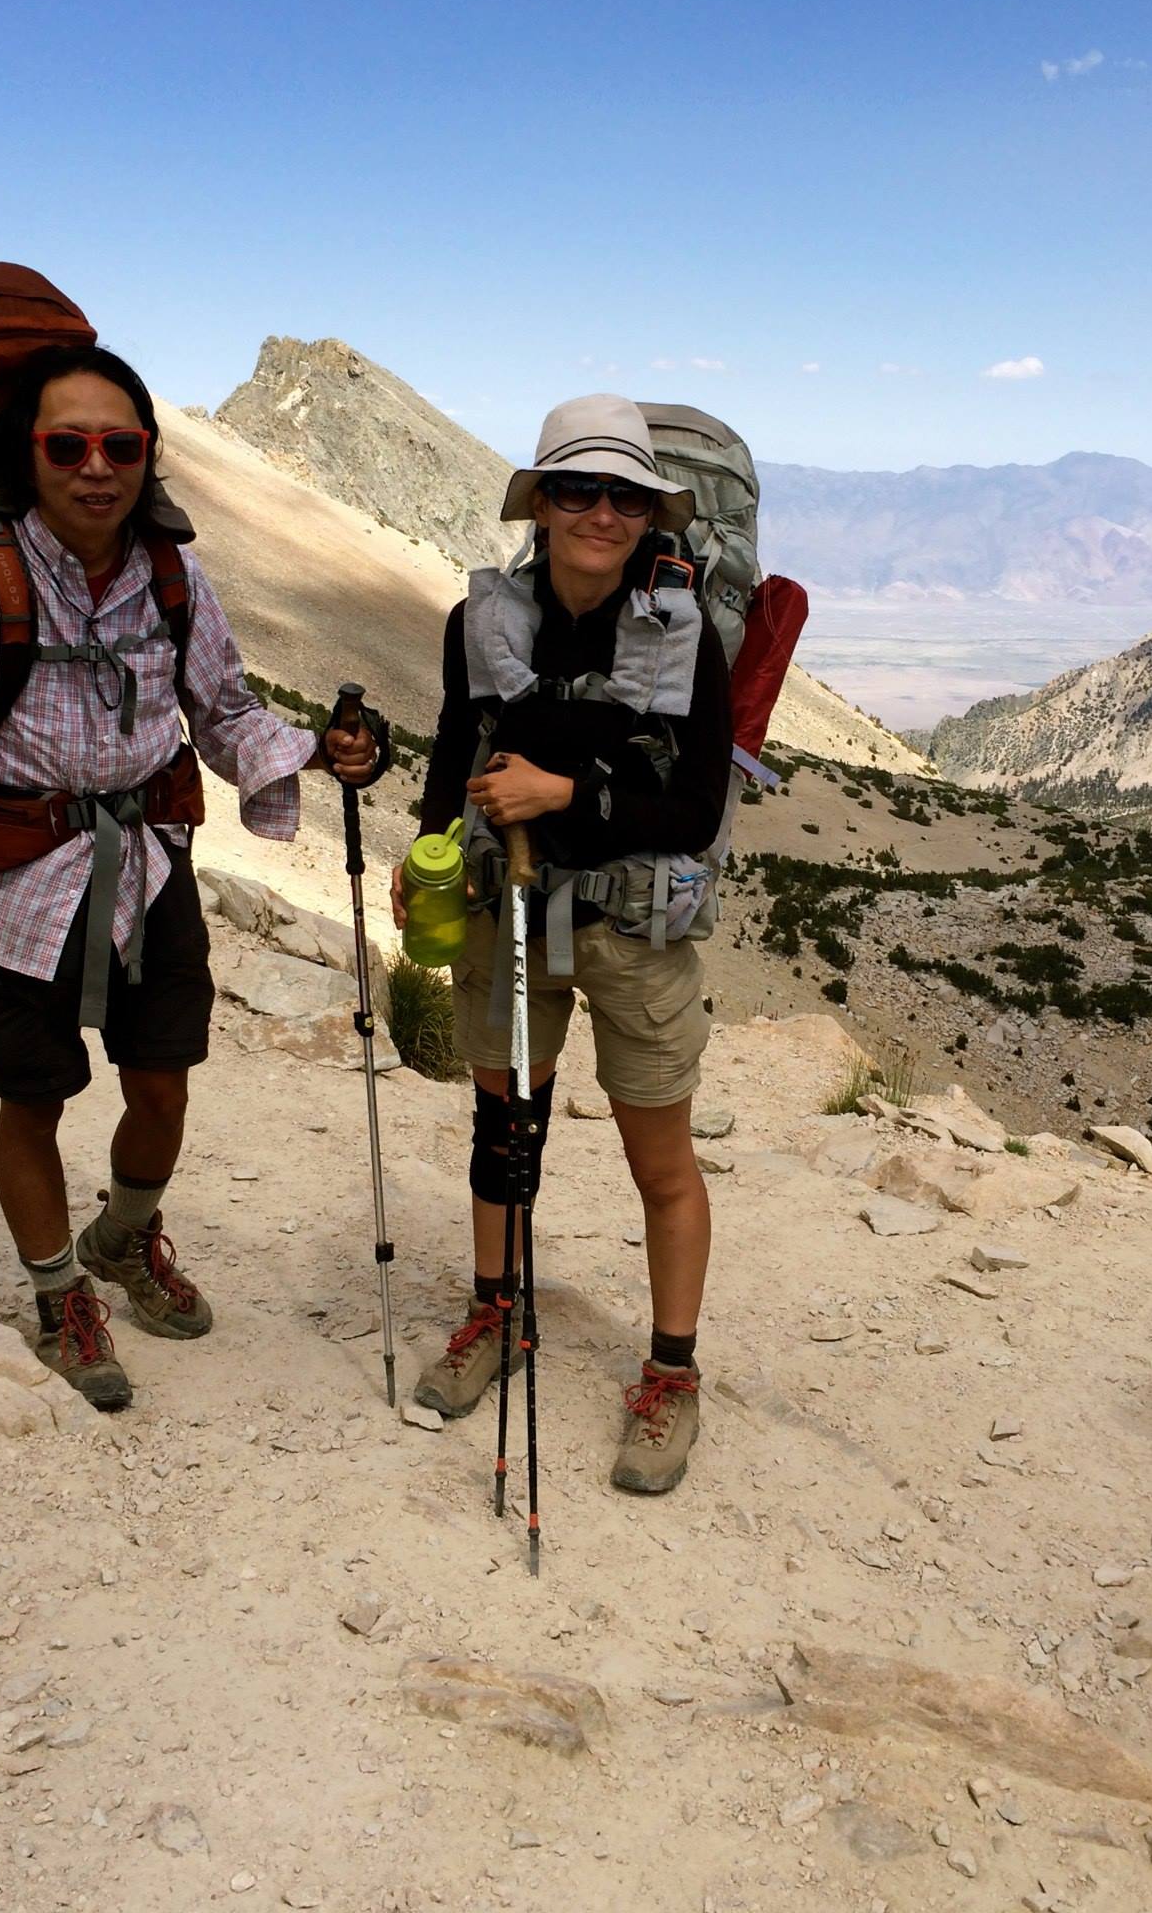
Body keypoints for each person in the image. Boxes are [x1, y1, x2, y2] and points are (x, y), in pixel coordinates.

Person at [0, 345, 377, 1409]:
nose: (97, 466)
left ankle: (123, 1239)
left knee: (164, 1082)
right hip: (20, 886)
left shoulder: (173, 577)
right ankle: (59, 1299)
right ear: (28, 456)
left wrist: (320, 750)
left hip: (147, 866)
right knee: (31, 1097)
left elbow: (223, 710)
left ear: (147, 455)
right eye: (68, 444)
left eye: (119, 444)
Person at [394, 395, 732, 1494]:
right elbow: (460, 743)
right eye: (577, 489)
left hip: (634, 924)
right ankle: (498, 1311)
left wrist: (565, 794)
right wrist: (432, 838)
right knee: (504, 1124)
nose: (600, 511)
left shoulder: (691, 636)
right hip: (510, 909)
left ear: (651, 511)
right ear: (540, 501)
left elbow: (692, 810)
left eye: (624, 494)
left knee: (660, 1161)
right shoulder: (475, 621)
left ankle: (670, 1374)